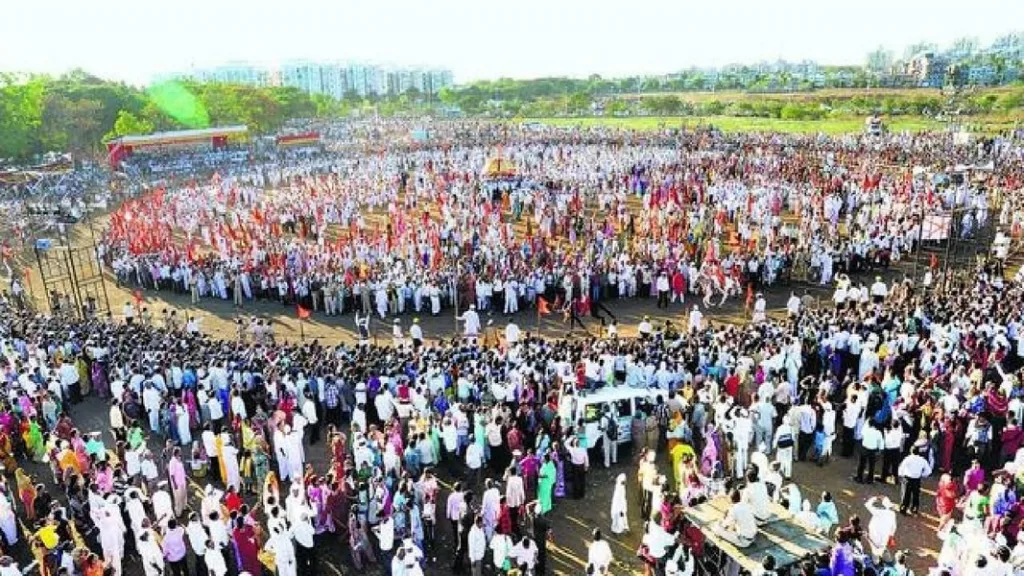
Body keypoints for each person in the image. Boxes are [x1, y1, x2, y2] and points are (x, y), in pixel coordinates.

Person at [897, 449, 932, 515]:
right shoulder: (922, 460)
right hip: (916, 479)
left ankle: (903, 508)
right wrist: (922, 475)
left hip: (907, 479)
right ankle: (914, 508)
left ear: (911, 451)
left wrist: (901, 475)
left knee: (905, 494)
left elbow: (901, 468)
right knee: (916, 494)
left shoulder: (908, 459)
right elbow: (929, 471)